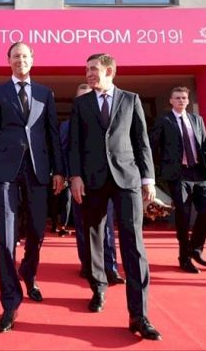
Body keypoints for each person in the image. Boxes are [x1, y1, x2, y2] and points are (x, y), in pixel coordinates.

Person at [69, 53, 161, 340]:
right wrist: (75, 176)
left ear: (109, 71)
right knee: (94, 237)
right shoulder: (81, 104)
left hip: (127, 178)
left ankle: (139, 314)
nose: (88, 74)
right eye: (86, 69)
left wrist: (148, 179)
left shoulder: (131, 99)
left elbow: (141, 142)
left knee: (134, 244)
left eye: (93, 69)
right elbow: (74, 144)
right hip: (92, 180)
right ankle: (98, 288)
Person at [0, 42, 64, 333]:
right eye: (16, 56)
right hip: (5, 172)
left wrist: (59, 170)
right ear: (8, 60)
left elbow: (52, 133)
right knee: (6, 237)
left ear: (32, 60)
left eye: (25, 56)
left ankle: (28, 270)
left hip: (38, 171)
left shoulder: (45, 93)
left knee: (38, 232)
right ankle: (10, 302)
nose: (21, 60)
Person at [150, 86, 206, 274]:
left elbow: (204, 147)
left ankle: (195, 248)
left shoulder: (197, 120)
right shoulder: (164, 120)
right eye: (177, 98)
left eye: (184, 98)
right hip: (178, 174)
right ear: (171, 101)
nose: (181, 100)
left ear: (188, 101)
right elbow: (152, 145)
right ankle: (184, 257)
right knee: (184, 215)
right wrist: (156, 169)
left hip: (200, 173)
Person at [62, 83, 125, 284]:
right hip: (80, 182)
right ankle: (87, 265)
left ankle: (110, 267)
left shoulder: (105, 121)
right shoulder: (67, 125)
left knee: (107, 227)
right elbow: (65, 151)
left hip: (105, 182)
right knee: (83, 226)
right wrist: (70, 177)